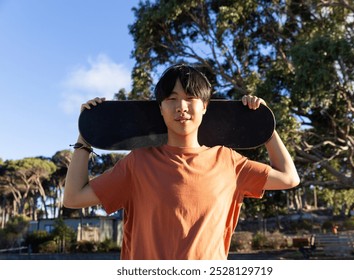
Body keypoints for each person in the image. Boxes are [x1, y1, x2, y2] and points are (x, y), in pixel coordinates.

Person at [64, 64, 300, 260]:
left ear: (205, 106)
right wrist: (87, 135)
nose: (181, 107)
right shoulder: (139, 162)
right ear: (161, 108)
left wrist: (265, 125)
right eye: (171, 99)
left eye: (190, 98)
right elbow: (74, 198)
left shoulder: (228, 162)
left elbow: (289, 178)